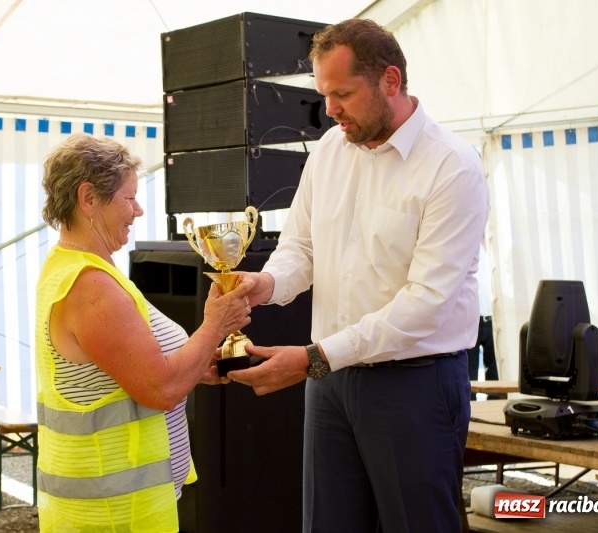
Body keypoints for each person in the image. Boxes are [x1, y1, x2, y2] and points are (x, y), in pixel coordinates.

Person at [229, 19, 489, 533]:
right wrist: (266, 285)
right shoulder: (329, 150)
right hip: (329, 380)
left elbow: (425, 304)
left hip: (415, 382)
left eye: (342, 93)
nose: (330, 110)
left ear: (390, 81)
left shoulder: (452, 167)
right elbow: (300, 248)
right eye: (324, 94)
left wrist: (312, 359)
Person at [34, 133, 254, 532]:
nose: (137, 210)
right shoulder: (91, 285)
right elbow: (161, 389)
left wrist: (201, 360)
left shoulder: (78, 268)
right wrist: (214, 326)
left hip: (114, 503)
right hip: (114, 512)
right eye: (128, 198)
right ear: (88, 199)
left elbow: (131, 371)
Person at [468, 235, 500, 400]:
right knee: (469, 375)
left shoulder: (498, 251)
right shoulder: (471, 246)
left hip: (495, 320)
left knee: (496, 372)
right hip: (473, 319)